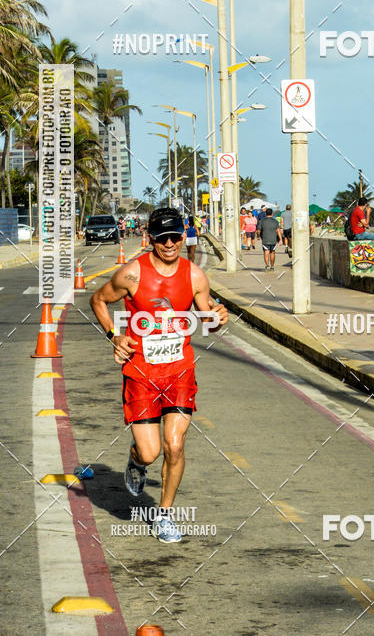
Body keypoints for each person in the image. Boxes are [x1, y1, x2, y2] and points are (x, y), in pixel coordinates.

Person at [89, 207, 228, 543]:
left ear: (184, 236)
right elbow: (98, 300)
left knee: (175, 445)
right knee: (149, 452)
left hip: (179, 371)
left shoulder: (194, 275)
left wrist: (218, 317)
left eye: (175, 236)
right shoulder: (132, 275)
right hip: (141, 373)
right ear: (149, 237)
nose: (169, 244)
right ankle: (136, 462)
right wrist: (114, 336)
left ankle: (164, 515)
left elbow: (206, 316)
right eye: (161, 237)